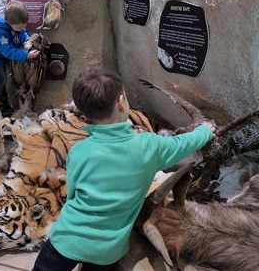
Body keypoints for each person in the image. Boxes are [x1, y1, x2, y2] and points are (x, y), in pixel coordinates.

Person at [32, 68, 215, 271]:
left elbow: (73, 192)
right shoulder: (150, 145)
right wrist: (205, 131)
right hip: (107, 249)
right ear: (121, 102)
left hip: (66, 238)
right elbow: (184, 143)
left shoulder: (79, 151)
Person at [0, 0, 40, 117]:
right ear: (7, 22)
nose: (23, 28)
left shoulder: (15, 23)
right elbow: (7, 51)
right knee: (0, 79)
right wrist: (26, 55)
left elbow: (21, 32)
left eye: (25, 25)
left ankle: (2, 102)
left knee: (2, 79)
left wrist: (27, 40)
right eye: (20, 27)